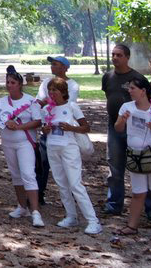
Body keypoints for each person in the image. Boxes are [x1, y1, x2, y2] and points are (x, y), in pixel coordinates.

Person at [114, 76, 151, 243]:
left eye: (133, 88)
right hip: (135, 155)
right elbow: (118, 128)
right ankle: (132, 225)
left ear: (143, 91)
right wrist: (122, 120)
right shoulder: (126, 107)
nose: (129, 91)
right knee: (138, 192)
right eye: (129, 88)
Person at [41, 77, 102, 234]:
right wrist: (45, 130)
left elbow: (85, 127)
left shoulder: (72, 106)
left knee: (75, 184)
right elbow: (43, 128)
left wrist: (70, 128)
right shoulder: (46, 109)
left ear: (63, 92)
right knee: (61, 184)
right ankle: (71, 216)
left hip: (69, 147)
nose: (52, 93)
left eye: (55, 90)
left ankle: (92, 220)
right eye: (50, 90)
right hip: (52, 147)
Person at [101, 44, 151, 216]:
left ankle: (150, 208)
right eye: (113, 54)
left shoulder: (137, 78)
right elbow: (109, 96)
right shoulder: (107, 77)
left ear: (127, 57)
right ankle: (114, 204)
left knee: (143, 165)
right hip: (114, 126)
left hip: (135, 127)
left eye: (119, 55)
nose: (115, 58)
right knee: (114, 166)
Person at [0, 66, 44, 227]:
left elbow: (38, 121)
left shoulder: (30, 101)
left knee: (28, 174)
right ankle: (22, 206)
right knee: (15, 174)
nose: (9, 85)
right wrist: (4, 123)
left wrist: (19, 126)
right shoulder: (2, 101)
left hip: (25, 142)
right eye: (7, 82)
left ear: (20, 84)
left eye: (13, 82)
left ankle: (35, 212)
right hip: (8, 142)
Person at [34, 56, 80, 206]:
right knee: (43, 161)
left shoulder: (72, 85)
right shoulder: (46, 82)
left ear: (65, 67)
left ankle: (73, 195)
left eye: (55, 64)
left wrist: (47, 101)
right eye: (52, 64)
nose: (52, 67)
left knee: (67, 164)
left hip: (64, 130)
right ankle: (38, 193)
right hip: (48, 127)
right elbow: (40, 102)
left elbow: (64, 103)